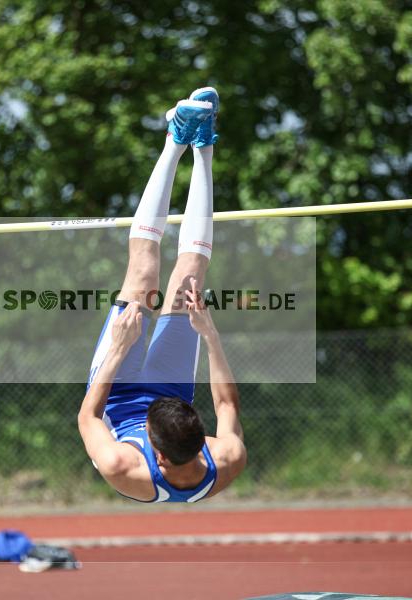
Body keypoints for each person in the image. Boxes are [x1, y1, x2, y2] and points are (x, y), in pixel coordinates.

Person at [78, 87, 247, 503]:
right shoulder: (226, 457)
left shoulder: (125, 467)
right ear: (201, 444)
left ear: (158, 456)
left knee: (141, 277)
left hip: (112, 392)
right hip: (171, 395)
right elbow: (226, 406)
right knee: (189, 282)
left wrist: (118, 349)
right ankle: (203, 143)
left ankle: (174, 140)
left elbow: (88, 415)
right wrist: (209, 334)